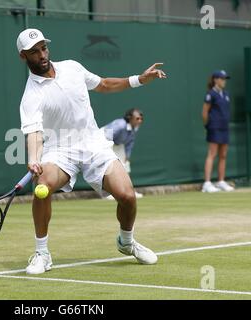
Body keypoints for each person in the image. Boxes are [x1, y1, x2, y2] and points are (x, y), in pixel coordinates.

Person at [17, 28, 166, 275]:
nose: (42, 54)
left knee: (127, 196)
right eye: (34, 51)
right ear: (24, 57)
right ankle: (42, 253)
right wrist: (33, 160)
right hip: (60, 150)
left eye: (43, 48)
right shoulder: (31, 96)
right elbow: (33, 132)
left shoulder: (72, 68)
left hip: (93, 143)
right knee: (42, 188)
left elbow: (104, 84)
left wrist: (139, 79)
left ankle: (126, 242)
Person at [201, 70, 234, 193]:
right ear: (215, 80)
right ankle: (207, 183)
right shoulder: (210, 94)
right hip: (214, 127)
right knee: (212, 154)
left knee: (223, 155)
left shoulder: (226, 94)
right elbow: (204, 113)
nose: (224, 81)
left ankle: (220, 181)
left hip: (224, 127)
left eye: (225, 79)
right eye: (222, 78)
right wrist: (208, 125)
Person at [102, 108, 144, 199]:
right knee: (108, 167)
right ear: (129, 118)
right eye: (137, 118)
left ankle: (130, 191)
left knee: (126, 166)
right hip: (103, 141)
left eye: (141, 119)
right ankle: (107, 194)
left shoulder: (135, 128)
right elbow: (106, 135)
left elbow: (130, 142)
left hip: (117, 144)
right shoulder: (120, 125)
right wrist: (107, 153)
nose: (140, 121)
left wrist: (127, 157)